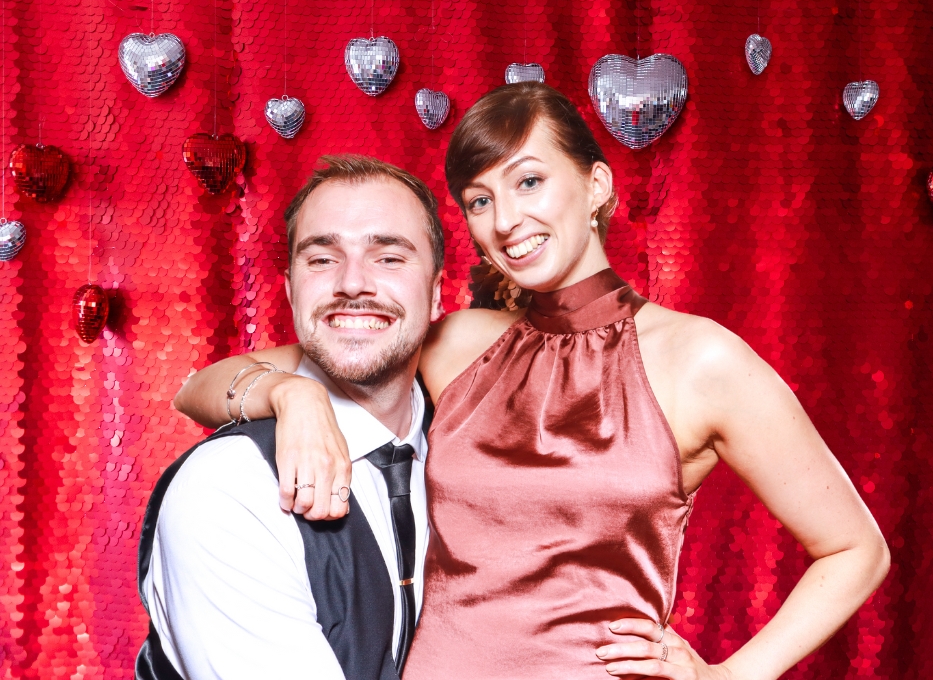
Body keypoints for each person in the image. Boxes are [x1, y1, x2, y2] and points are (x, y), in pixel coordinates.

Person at [175, 83, 890, 680]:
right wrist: (288, 394)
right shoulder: (460, 344)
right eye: (480, 200)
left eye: (528, 181)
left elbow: (856, 548)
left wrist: (730, 675)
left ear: (597, 184)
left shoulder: (698, 359)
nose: (506, 219)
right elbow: (199, 388)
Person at [141, 156, 445, 679]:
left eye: (389, 257)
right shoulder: (231, 487)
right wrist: (291, 394)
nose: (353, 283)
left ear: (438, 292)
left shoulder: (470, 444)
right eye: (322, 259)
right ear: (289, 289)